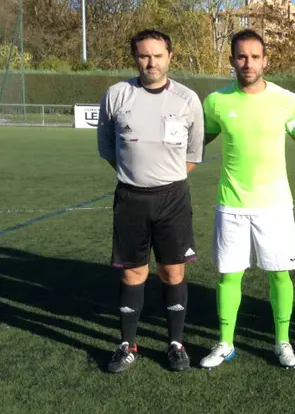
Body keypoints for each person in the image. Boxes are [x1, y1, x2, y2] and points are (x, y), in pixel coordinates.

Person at [199, 29, 295, 369]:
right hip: (231, 204)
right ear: (232, 59)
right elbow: (196, 142)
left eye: (254, 56)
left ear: (266, 60)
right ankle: (225, 343)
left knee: (279, 275)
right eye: (241, 56)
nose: (248, 63)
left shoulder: (286, 100)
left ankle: (282, 342)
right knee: (229, 276)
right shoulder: (216, 102)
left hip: (275, 206)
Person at [97, 29, 204, 373]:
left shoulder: (188, 99)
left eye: (158, 55)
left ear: (170, 57)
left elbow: (193, 153)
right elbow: (107, 148)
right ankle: (127, 344)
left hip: (172, 198)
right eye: (144, 55)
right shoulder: (116, 95)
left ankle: (175, 344)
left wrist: (164, 176)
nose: (151, 62)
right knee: (133, 274)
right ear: (135, 57)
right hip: (130, 198)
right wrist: (137, 175)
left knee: (172, 272)